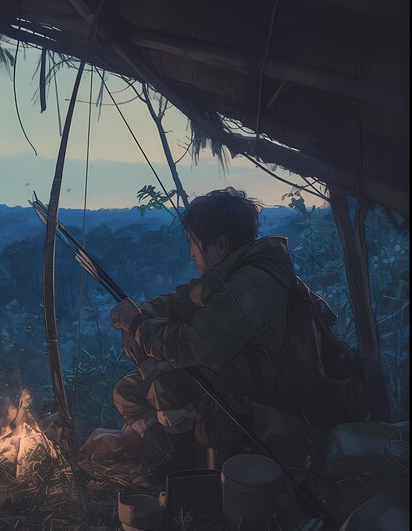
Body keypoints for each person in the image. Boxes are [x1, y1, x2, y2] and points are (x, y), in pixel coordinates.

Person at [110, 187, 356, 484]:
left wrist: (137, 326)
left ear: (221, 245)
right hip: (242, 390)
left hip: (271, 413)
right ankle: (179, 452)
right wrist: (145, 312)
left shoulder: (251, 285)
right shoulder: (232, 275)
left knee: (164, 376)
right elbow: (181, 301)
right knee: (128, 391)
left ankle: (187, 466)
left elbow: (191, 344)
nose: (190, 253)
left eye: (193, 243)